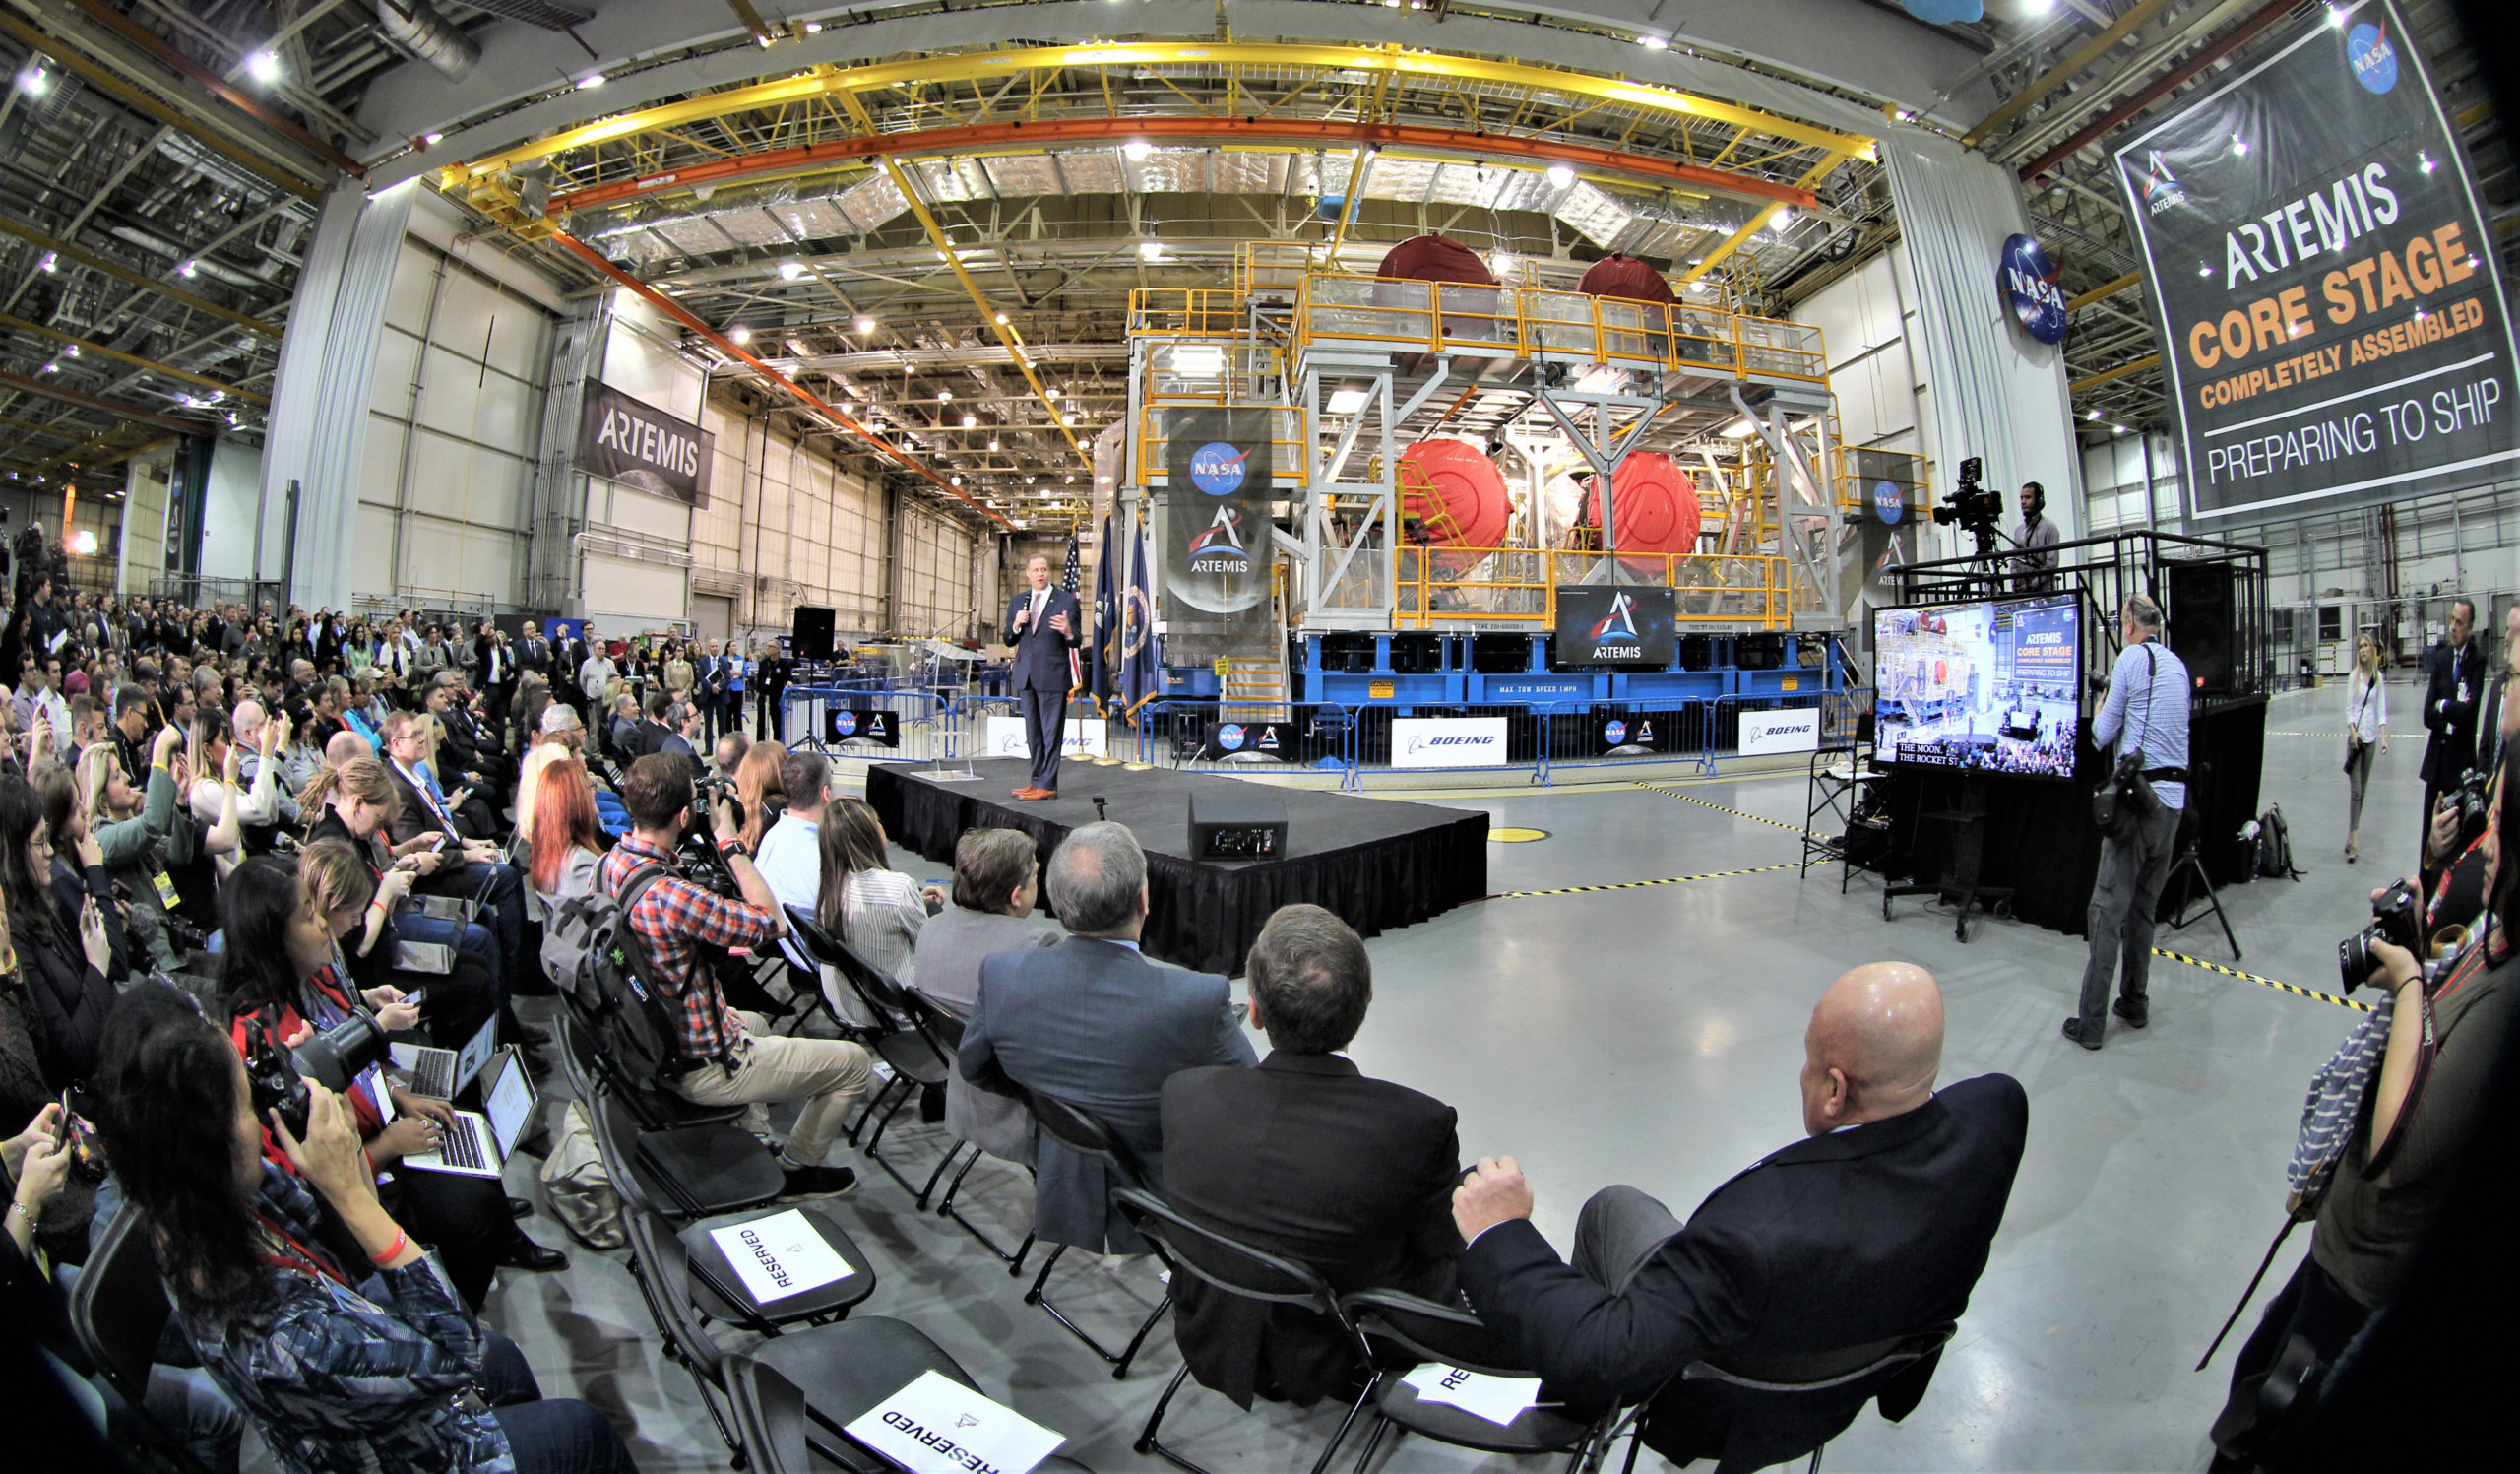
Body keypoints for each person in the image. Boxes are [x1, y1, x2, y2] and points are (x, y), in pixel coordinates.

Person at [1451, 962, 2026, 1467]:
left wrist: (1502, 1232)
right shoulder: (2001, 1112)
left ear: (1834, 1090)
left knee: (1610, 1210)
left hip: (1726, 1410)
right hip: (1852, 1373)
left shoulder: (1753, 1237)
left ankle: (1568, 1419)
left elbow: (1603, 1353)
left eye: (1809, 1060)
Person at [91, 983, 637, 1473]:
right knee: (582, 1434)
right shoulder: (279, 1338)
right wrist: (356, 1197)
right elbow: (456, 1351)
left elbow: (325, 1246)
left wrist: (325, 1140)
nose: (260, 1115)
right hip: (386, 1451)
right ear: (205, 1147)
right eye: (244, 1103)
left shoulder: (194, 1210)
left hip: (356, 1387)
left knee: (508, 1362)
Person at [2208, 746, 2520, 1469]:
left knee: (2271, 1431)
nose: (2488, 835)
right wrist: (2435, 877)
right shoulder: (2493, 935)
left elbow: (2395, 1146)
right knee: (2255, 1369)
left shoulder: (2509, 994)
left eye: (2500, 819)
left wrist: (2408, 978)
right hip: (2341, 1244)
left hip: (2367, 1272)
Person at [1162, 904, 1463, 1410]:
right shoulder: (1416, 1125)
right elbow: (1436, 1244)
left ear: (1253, 1013)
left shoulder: (1183, 1096)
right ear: (1364, 1005)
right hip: (1343, 1345)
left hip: (1211, 1321)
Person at [957, 821, 1256, 1251]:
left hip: (1058, 1163)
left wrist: (1048, 1104)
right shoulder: (1196, 1000)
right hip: (1165, 1191)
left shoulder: (1003, 977)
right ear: (1143, 900)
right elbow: (1250, 1103)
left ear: (1058, 901)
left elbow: (976, 1068)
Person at [601, 753, 871, 1197]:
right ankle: (795, 1168)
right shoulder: (672, 895)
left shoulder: (613, 862)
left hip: (650, 1040)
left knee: (758, 1023)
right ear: (686, 815)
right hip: (698, 1063)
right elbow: (772, 923)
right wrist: (729, 842)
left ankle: (753, 1145)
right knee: (853, 1065)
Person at [2067, 594, 2191, 1051]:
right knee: (2143, 909)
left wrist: (2102, 700)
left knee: (2105, 911)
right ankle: (2134, 1002)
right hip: (2172, 808)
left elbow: (2101, 736)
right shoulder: (2176, 665)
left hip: (2138, 804)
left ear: (2128, 624)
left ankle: (2091, 1023)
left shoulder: (2131, 661)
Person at [912, 828, 1056, 1166]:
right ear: (1017, 895)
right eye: (1036, 875)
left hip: (963, 1097)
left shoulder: (931, 928)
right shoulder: (1035, 946)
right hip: (1022, 1115)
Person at [0, 775, 114, 1088]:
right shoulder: (13, 942)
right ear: (10, 854)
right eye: (38, 842)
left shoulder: (38, 906)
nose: (49, 851)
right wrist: (96, 966)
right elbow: (72, 1051)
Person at [813, 797, 940, 994]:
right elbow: (928, 953)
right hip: (892, 1008)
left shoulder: (828, 881)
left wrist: (917, 901)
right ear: (868, 834)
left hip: (845, 1000)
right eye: (878, 822)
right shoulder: (900, 887)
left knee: (930, 907)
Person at [1003, 553, 1080, 801]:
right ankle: (1036, 780)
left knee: (1050, 733)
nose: (1041, 574)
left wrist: (1068, 630)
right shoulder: (1018, 602)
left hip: (1053, 676)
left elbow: (1077, 639)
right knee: (1033, 733)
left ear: (1049, 572)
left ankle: (1048, 784)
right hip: (1026, 676)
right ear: (1027, 573)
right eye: (1035, 570)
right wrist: (1016, 625)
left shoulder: (1065, 600)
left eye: (1044, 569)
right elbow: (1008, 638)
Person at [2421, 596, 2485, 855]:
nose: (2453, 627)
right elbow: (2427, 713)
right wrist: (2448, 723)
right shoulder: (2442, 658)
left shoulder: (2477, 661)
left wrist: (2444, 706)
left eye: (2460, 622)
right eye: (2451, 620)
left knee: (2455, 840)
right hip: (2437, 764)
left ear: (2469, 627)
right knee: (2429, 836)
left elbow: (2470, 712)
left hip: (2460, 767)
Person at [526, 757, 606, 905]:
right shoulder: (579, 864)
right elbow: (605, 921)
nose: (594, 793)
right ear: (576, 801)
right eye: (590, 786)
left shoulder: (547, 849)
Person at [2345, 631, 2390, 864]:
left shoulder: (2377, 677)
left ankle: (2351, 833)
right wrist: (2353, 733)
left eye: (2366, 646)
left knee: (2363, 792)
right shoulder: (2353, 677)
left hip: (2371, 739)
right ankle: (2354, 842)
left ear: (2372, 650)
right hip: (2356, 742)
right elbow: (2349, 710)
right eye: (2360, 646)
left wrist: (2384, 737)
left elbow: (2381, 709)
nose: (2363, 649)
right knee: (2356, 792)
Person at [2011, 481, 2059, 594]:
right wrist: (2015, 584)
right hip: (2021, 595)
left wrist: (2031, 585)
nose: (2023, 502)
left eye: (2028, 498)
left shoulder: (2049, 527)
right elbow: (2014, 563)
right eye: (2021, 498)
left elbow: (2051, 563)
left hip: (2044, 593)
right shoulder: (2018, 531)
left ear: (2038, 501)